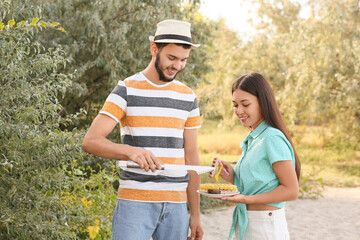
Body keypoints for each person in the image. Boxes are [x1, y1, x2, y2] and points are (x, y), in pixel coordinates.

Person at [82, 19, 203, 240]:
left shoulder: (188, 96)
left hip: (176, 206)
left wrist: (195, 214)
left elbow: (191, 156)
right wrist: (131, 152)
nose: (177, 66)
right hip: (134, 202)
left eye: (183, 60)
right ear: (154, 49)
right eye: (172, 58)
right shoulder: (126, 89)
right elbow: (91, 141)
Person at [210, 72, 301, 240]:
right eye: (235, 105)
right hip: (250, 222)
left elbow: (291, 190)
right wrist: (232, 176)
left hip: (265, 226)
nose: (239, 111)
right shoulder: (255, 138)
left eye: (245, 104)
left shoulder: (271, 137)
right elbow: (260, 183)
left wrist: (247, 199)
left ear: (262, 102)